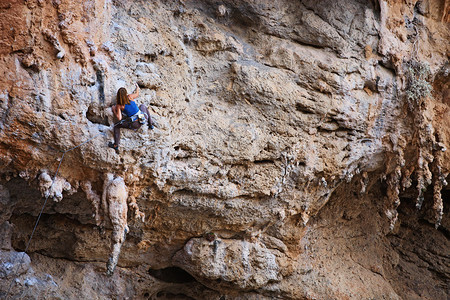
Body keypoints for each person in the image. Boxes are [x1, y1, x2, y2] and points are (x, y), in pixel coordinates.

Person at [108, 83, 154, 151]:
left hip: (135, 124)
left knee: (116, 126)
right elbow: (137, 94)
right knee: (142, 106)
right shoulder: (130, 97)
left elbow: (119, 118)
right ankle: (150, 124)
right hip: (143, 118)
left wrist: (114, 110)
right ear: (126, 93)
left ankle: (116, 145)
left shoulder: (119, 105)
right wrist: (137, 88)